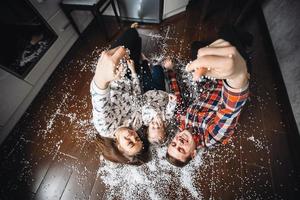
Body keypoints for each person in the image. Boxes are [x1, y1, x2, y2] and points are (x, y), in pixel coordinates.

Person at [90, 24, 177, 164]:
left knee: (132, 34)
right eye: (137, 139)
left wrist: (103, 77)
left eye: (129, 142)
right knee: (136, 39)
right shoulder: (136, 125)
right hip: (130, 74)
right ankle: (134, 36)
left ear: (118, 147)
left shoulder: (105, 126)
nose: (132, 135)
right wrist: (133, 71)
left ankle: (131, 31)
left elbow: (98, 94)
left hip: (113, 73)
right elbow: (138, 96)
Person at [166, 26, 250, 167]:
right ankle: (245, 45)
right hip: (228, 79)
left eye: (173, 143)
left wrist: (170, 72)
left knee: (196, 47)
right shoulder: (211, 136)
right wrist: (237, 75)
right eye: (181, 149)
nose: (179, 142)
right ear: (193, 154)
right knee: (227, 32)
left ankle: (240, 41)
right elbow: (230, 110)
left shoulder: (181, 123)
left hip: (210, 77)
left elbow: (177, 98)